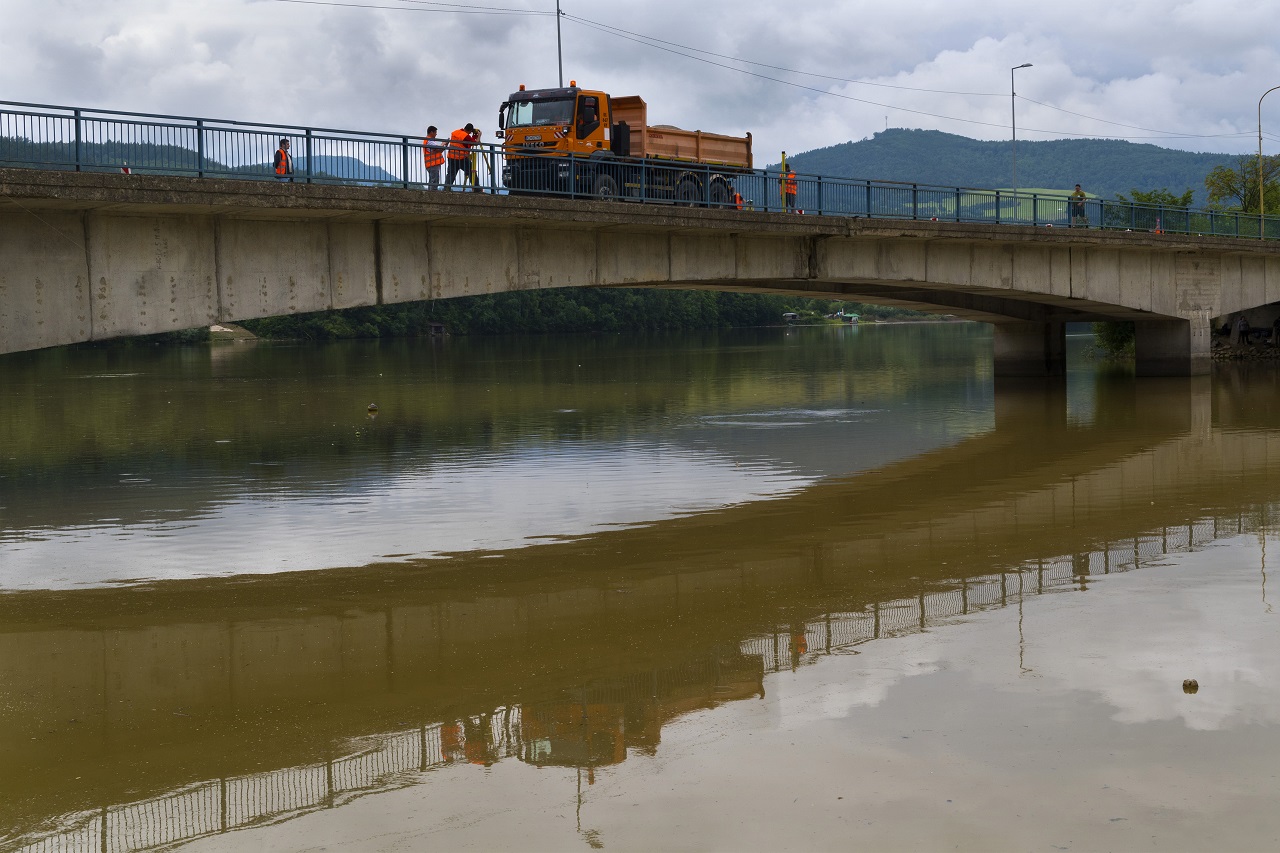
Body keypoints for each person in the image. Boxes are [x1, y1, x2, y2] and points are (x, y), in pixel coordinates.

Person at [446, 123, 477, 189]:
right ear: (470, 130)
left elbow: (465, 143)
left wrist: (473, 137)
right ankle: (477, 188)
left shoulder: (456, 132)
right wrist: (479, 135)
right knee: (471, 171)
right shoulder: (465, 136)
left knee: (451, 174)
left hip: (451, 157)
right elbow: (475, 143)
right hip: (461, 158)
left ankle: (446, 188)